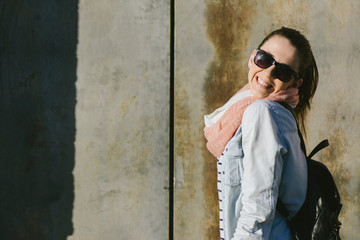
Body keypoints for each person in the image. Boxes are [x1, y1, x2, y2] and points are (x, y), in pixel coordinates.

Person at [204, 27, 318, 240]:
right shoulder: (276, 112)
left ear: (295, 82)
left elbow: (258, 209)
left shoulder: (261, 112)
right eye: (264, 59)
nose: (267, 73)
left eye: (283, 72)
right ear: (252, 58)